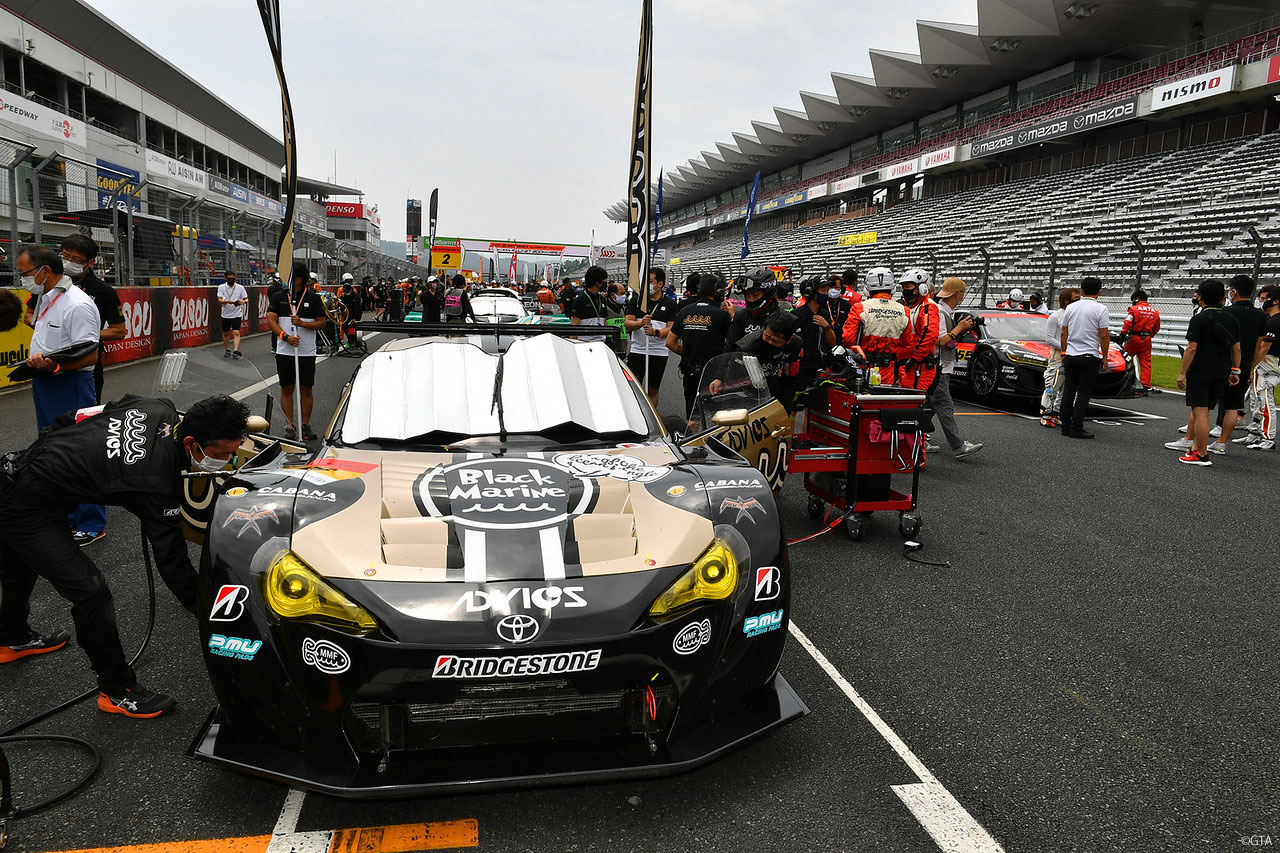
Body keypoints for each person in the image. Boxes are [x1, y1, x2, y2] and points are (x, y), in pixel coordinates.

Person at [0, 393, 249, 717]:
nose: (229, 461)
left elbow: (69, 418)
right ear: (191, 443)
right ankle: (117, 690)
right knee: (91, 593)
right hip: (26, 505)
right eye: (223, 454)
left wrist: (59, 462)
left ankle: (11, 637)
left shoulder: (156, 406)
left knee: (20, 563)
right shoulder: (156, 481)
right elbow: (173, 565)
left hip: (20, 471)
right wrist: (222, 616)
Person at [20, 244, 106, 546]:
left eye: (25, 273)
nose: (22, 279)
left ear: (44, 271)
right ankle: (67, 514)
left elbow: (91, 355)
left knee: (78, 452)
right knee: (50, 451)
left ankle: (92, 522)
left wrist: (55, 366)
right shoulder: (47, 297)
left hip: (70, 384)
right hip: (45, 381)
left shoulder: (78, 304)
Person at [1166, 279, 1240, 466]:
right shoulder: (1232, 319)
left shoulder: (1198, 319)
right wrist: (1235, 370)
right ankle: (1198, 449)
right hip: (1222, 371)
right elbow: (1236, 348)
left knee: (1200, 411)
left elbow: (1191, 348)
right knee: (1206, 410)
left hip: (1201, 370)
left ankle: (1201, 453)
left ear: (1201, 297)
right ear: (1222, 298)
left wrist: (1182, 372)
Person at [60, 235, 125, 402]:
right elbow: (30, 315)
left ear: (90, 262)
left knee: (87, 412)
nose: (68, 262)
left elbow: (119, 331)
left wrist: (83, 335)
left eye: (76, 259)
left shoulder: (104, 291)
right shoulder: (49, 283)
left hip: (87, 362)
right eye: (65, 256)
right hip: (52, 359)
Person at [267, 261, 327, 441]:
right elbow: (271, 320)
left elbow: (322, 323)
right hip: (284, 351)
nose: (284, 279)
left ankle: (305, 425)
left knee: (306, 389)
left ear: (298, 279)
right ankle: (289, 425)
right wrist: (285, 336)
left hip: (306, 352)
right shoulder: (278, 296)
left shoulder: (313, 298)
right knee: (286, 388)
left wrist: (302, 324)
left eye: (289, 276)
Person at [928, 277, 984, 459]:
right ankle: (958, 446)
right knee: (945, 406)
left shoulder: (945, 311)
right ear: (958, 294)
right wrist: (959, 328)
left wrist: (962, 329)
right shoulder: (940, 312)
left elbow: (947, 340)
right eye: (962, 293)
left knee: (929, 405)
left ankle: (917, 438)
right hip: (940, 366)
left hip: (938, 366)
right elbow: (939, 341)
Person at [1212, 275, 1266, 451]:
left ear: (1233, 291)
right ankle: (1221, 442)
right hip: (1246, 363)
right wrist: (1252, 368)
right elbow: (1259, 346)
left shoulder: (1225, 312)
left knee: (1204, 402)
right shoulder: (1260, 315)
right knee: (1233, 405)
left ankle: (1196, 439)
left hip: (1223, 362)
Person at [667, 274, 732, 420]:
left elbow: (670, 342)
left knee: (692, 414)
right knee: (715, 416)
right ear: (718, 292)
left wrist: (688, 352)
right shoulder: (722, 315)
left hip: (689, 371)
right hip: (714, 374)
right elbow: (731, 344)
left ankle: (693, 434)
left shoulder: (685, 311)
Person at [1058, 276, 1111, 439]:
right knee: (1083, 393)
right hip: (1089, 355)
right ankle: (1076, 427)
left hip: (1071, 354)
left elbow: (1064, 332)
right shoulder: (1101, 309)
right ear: (1100, 292)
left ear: (1082, 291)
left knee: (1068, 390)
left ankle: (1065, 426)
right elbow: (1104, 335)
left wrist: (1064, 352)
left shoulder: (1070, 308)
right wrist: (1105, 357)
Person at [841, 267, 910, 386]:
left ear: (867, 288)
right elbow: (906, 341)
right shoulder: (904, 310)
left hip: (863, 365)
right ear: (893, 288)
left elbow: (848, 339)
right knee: (884, 395)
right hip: (888, 367)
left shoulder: (860, 307)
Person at [624, 268, 678, 409]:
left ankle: (652, 417)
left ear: (660, 284)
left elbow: (671, 328)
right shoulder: (636, 301)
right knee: (633, 387)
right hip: (637, 350)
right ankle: (635, 414)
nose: (647, 284)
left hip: (658, 353)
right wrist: (640, 323)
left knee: (653, 389)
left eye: (650, 281)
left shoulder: (670, 304)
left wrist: (657, 332)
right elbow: (628, 323)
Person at [730, 310, 802, 402]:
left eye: (775, 341)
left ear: (788, 340)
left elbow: (790, 374)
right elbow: (733, 377)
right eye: (767, 337)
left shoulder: (795, 344)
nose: (770, 342)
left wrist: (786, 400)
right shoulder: (746, 347)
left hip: (776, 387)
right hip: (750, 393)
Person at [1242, 284, 1280, 451]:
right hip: (1271, 363)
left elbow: (1264, 348)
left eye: (1267, 299)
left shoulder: (1273, 322)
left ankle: (1268, 437)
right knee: (1258, 400)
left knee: (1265, 401)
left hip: (1267, 365)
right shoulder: (1272, 320)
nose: (1263, 302)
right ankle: (1256, 432)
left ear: (1275, 301)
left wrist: (1252, 367)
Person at [789, 277, 839, 396]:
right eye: (823, 291)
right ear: (811, 292)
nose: (826, 294)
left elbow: (832, 343)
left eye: (827, 291)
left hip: (819, 366)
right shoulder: (796, 314)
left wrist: (826, 327)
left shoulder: (825, 314)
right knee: (797, 399)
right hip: (800, 367)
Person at [1040, 288, 1079, 429]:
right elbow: (1049, 339)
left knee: (1066, 388)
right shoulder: (1055, 317)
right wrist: (1065, 348)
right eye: (1076, 298)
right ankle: (1046, 414)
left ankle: (1056, 413)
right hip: (1057, 357)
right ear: (1066, 300)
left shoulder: (1076, 317)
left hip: (1072, 356)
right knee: (1052, 385)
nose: (1078, 301)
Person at [895, 269, 939, 391]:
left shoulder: (928, 307)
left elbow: (930, 334)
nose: (905, 290)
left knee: (913, 398)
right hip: (908, 363)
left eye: (908, 286)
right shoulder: (913, 306)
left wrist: (915, 358)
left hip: (918, 365)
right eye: (903, 287)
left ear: (921, 287)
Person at [1119, 289, 1161, 394]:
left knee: (1123, 358)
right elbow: (1157, 327)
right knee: (1146, 363)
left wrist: (1123, 334)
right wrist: (1150, 335)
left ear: (1137, 299)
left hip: (1134, 338)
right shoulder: (1155, 312)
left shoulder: (1133, 309)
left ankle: (1121, 382)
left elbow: (1128, 322)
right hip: (1146, 339)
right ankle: (1145, 386)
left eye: (1133, 300)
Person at [728, 267, 779, 345]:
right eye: (747, 295)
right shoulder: (741, 316)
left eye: (755, 295)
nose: (751, 300)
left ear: (768, 293)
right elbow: (730, 346)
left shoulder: (781, 319)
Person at [571, 266, 609, 342]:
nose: (605, 283)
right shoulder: (580, 300)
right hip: (585, 343)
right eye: (603, 281)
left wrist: (608, 338)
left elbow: (604, 321)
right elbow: (574, 326)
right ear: (596, 282)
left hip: (601, 342)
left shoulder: (602, 299)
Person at [217, 269, 249, 360]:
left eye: (233, 278)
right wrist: (228, 301)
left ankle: (235, 350)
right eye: (229, 278)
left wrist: (242, 302)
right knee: (226, 333)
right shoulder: (221, 287)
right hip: (225, 314)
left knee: (236, 332)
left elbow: (246, 299)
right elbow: (219, 300)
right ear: (225, 279)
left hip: (236, 314)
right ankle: (227, 349)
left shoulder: (240, 287)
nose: (231, 280)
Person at [339, 272, 364, 347]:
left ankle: (352, 341)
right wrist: (340, 308)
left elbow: (358, 308)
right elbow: (341, 303)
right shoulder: (343, 293)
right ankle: (351, 340)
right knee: (344, 326)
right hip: (347, 314)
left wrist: (355, 318)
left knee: (351, 327)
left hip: (354, 314)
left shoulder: (355, 296)